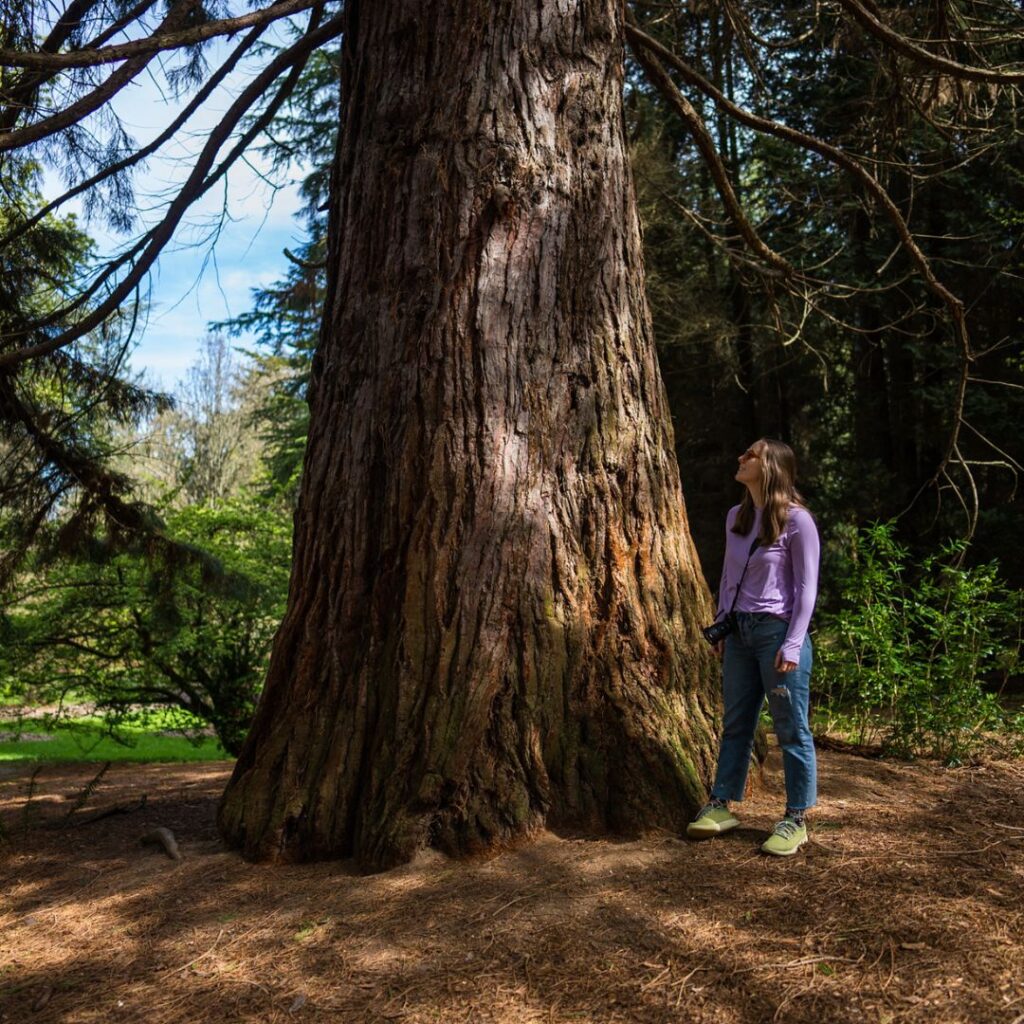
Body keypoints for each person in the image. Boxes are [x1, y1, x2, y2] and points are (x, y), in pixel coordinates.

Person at [687, 438, 820, 856]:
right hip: (740, 633)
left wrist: (794, 644)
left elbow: (807, 588)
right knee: (737, 722)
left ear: (772, 467)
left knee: (790, 728)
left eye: (751, 454)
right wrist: (723, 627)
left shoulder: (797, 521)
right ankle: (721, 804)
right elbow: (729, 579)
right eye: (742, 452)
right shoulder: (736, 517)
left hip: (778, 635)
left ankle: (795, 818)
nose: (741, 458)